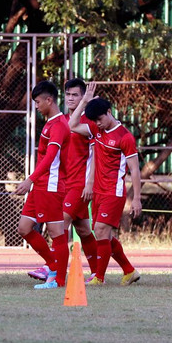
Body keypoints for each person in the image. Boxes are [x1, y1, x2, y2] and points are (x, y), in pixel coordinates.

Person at [69, 88, 142, 285]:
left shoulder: (124, 137)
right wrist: (84, 101)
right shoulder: (95, 129)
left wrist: (136, 198)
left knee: (101, 230)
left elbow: (135, 170)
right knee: (103, 235)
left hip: (114, 191)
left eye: (100, 119)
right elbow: (72, 125)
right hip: (98, 192)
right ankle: (129, 270)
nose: (98, 123)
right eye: (95, 121)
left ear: (109, 112)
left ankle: (99, 277)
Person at [15, 81, 69, 289]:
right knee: (24, 228)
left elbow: (50, 158)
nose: (36, 106)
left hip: (51, 186)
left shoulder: (59, 125)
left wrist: (30, 179)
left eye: (38, 102)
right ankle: (53, 265)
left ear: (49, 100)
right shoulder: (49, 122)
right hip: (41, 186)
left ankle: (59, 280)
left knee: (57, 233)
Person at [56, 78, 102, 278]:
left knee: (58, 225)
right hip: (62, 184)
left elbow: (95, 156)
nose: (70, 98)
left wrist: (89, 183)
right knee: (83, 230)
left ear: (84, 97)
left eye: (75, 94)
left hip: (79, 185)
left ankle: (53, 269)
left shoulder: (90, 122)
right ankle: (99, 273)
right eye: (68, 94)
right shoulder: (61, 120)